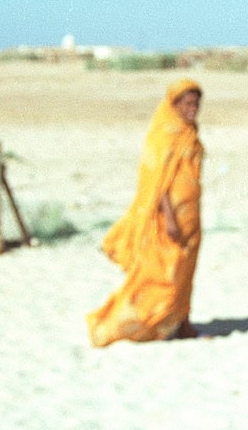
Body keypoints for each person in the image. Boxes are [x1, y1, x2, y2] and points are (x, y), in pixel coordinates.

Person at [87, 79, 204, 347]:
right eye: (187, 103)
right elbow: (156, 183)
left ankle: (181, 323)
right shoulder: (162, 135)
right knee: (160, 276)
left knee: (186, 272)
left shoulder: (189, 132)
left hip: (191, 218)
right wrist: (171, 218)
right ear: (174, 104)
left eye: (196, 103)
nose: (192, 108)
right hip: (167, 220)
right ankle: (115, 326)